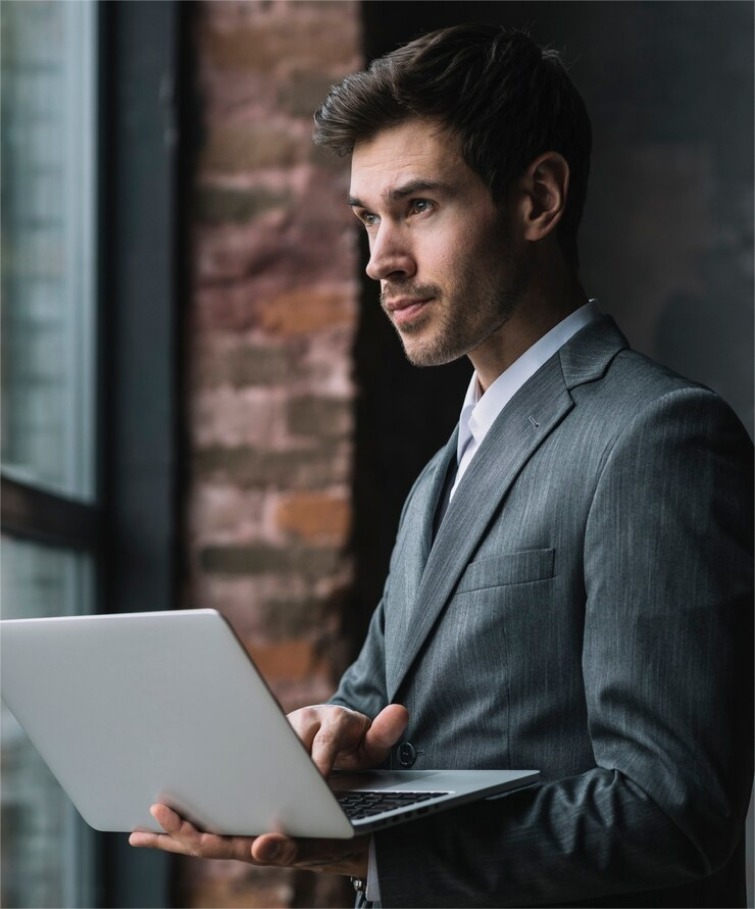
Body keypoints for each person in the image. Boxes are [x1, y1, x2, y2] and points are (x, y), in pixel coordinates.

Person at [130, 23, 754, 907]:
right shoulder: (443, 473)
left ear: (537, 200)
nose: (379, 259)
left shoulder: (657, 438)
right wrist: (327, 742)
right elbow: (379, 706)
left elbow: (670, 806)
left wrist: (364, 855)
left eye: (417, 206)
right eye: (366, 219)